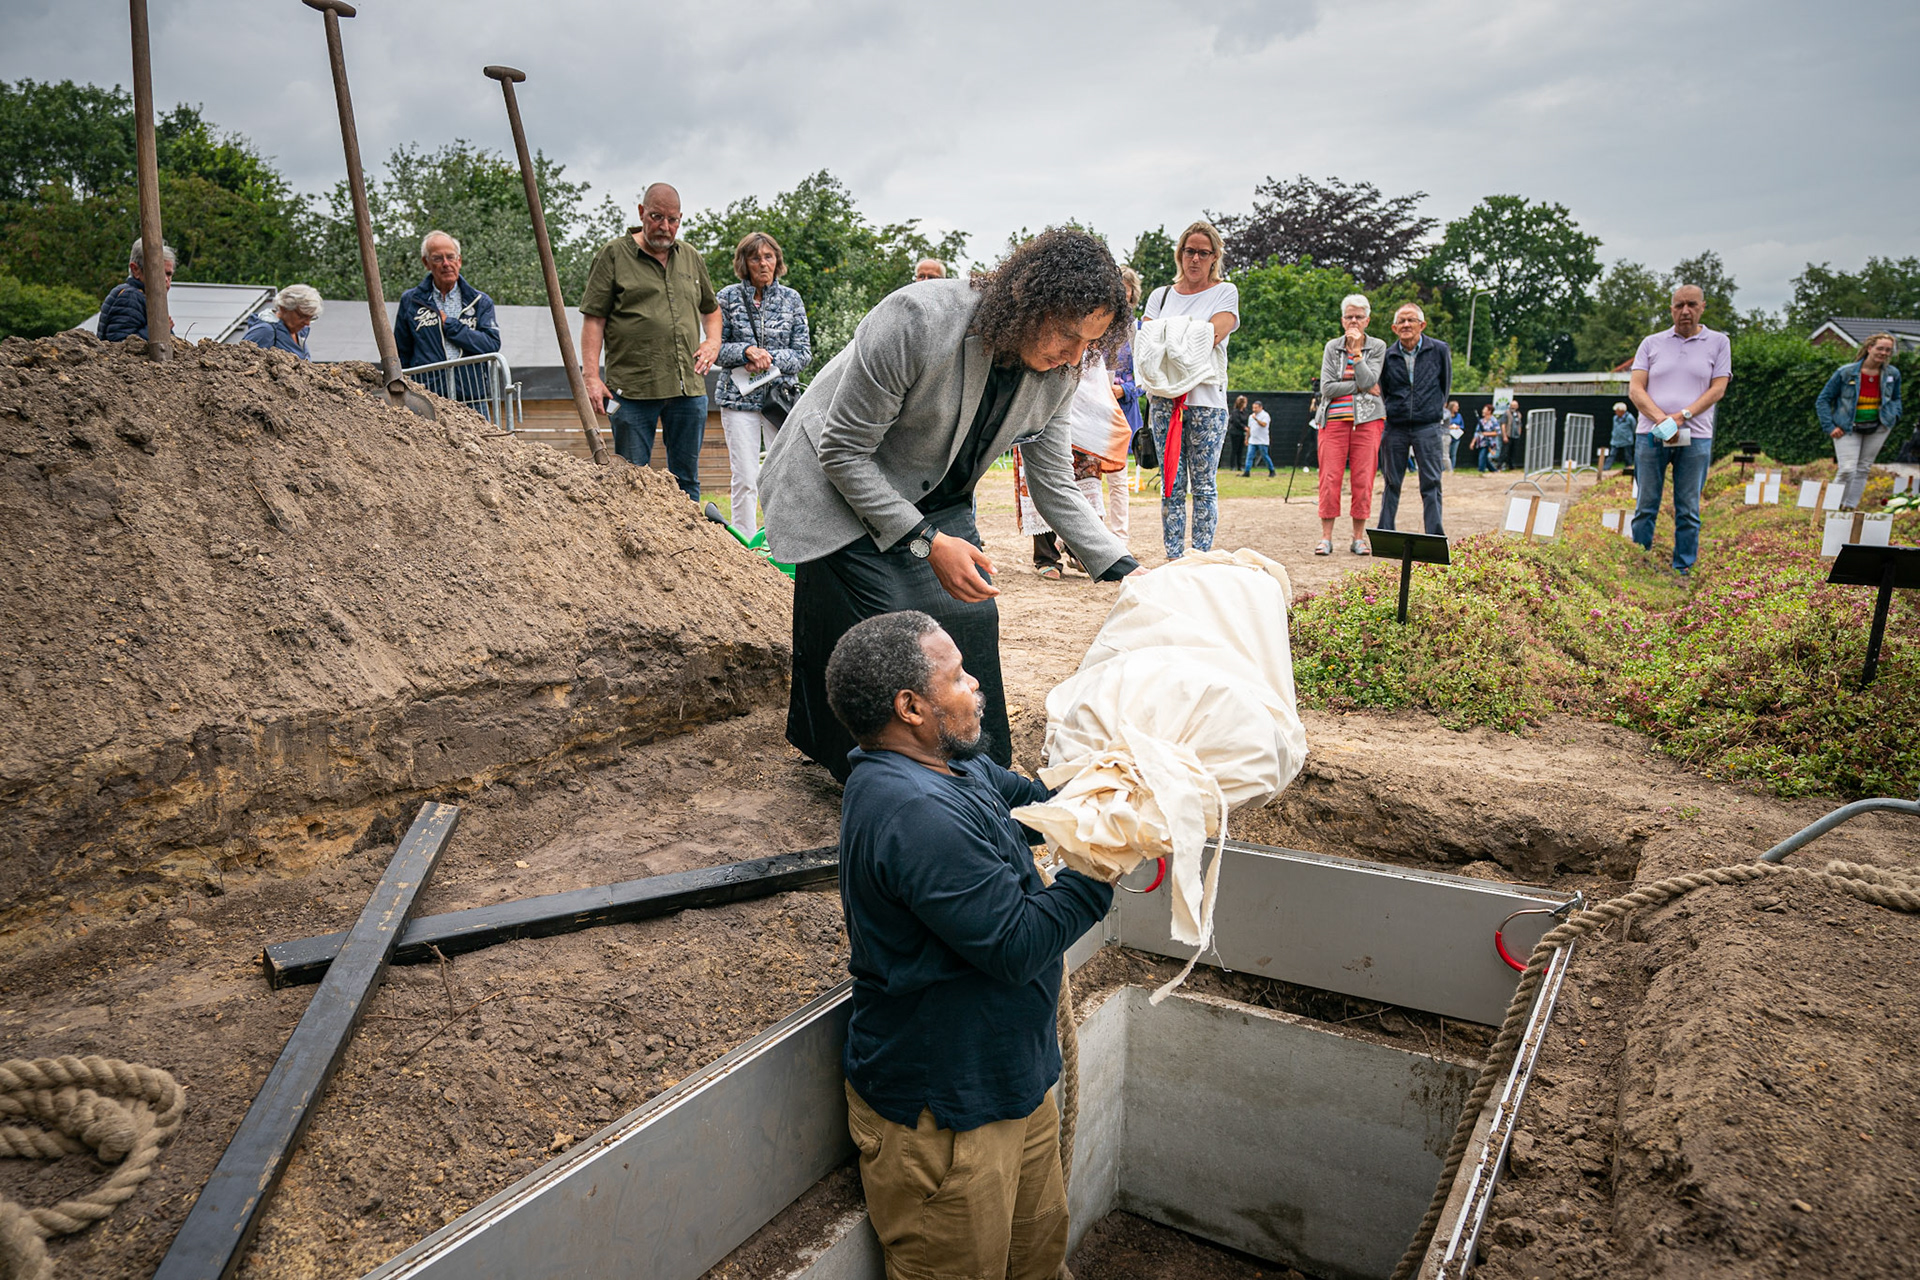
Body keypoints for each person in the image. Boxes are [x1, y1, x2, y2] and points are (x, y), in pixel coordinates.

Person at [760, 227, 1139, 784]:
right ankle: (889, 779)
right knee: (893, 629)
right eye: (1065, 335)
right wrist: (927, 543)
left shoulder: (1062, 370)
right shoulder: (916, 320)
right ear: (1025, 299)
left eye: (1090, 343)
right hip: (832, 481)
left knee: (970, 614)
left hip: (934, 492)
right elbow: (842, 450)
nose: (1074, 356)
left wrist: (1125, 569)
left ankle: (977, 774)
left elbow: (1054, 482)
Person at [827, 610, 1113, 1280]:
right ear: (911, 706)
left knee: (1036, 1262)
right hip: (947, 1120)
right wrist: (1105, 864)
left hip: (1009, 1080)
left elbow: (1041, 802)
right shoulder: (914, 812)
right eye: (957, 676)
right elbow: (1015, 944)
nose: (976, 685)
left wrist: (1125, 779)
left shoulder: (955, 767)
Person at [581, 183, 722, 501]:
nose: (665, 226)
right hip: (632, 392)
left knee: (687, 482)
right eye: (657, 217)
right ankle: (632, 548)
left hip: (688, 390)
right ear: (642, 213)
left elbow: (711, 311)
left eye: (673, 220)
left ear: (680, 219)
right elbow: (594, 320)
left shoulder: (690, 258)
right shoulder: (613, 255)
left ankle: (690, 546)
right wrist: (591, 377)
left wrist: (712, 342)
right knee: (631, 483)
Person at [1142, 220, 1240, 561]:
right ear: (1179, 254)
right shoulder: (1161, 296)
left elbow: (1212, 336)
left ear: (1214, 257)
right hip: (1165, 402)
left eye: (1203, 252)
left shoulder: (1225, 292)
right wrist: (1188, 335)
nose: (1195, 259)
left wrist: (1170, 337)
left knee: (1204, 486)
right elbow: (1147, 347)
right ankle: (1173, 558)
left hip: (1207, 402)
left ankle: (1199, 559)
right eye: (1189, 251)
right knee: (1170, 486)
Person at [1628, 284, 1732, 574]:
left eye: (1691, 305)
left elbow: (1718, 389)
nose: (1685, 311)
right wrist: (1662, 419)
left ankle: (1682, 567)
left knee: (1688, 508)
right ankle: (1640, 563)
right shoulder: (1651, 343)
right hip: (1651, 433)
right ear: (1671, 309)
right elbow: (1636, 389)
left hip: (1696, 435)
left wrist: (1683, 416)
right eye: (1678, 305)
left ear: (1703, 307)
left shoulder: (1719, 342)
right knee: (1645, 504)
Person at [714, 231, 812, 539]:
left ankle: (782, 539)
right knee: (745, 476)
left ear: (777, 261)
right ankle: (745, 543)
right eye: (755, 257)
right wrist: (744, 352)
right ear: (744, 262)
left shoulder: (791, 299)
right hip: (737, 400)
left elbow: (803, 352)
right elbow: (714, 348)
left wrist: (769, 359)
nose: (763, 263)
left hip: (778, 401)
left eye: (768, 256)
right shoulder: (727, 298)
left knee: (782, 474)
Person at [1311, 295, 1386, 555]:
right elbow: (1327, 387)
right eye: (1349, 316)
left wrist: (1356, 354)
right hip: (1332, 420)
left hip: (1368, 421)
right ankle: (1326, 537)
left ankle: (1358, 538)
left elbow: (1370, 377)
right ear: (1342, 320)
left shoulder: (1377, 346)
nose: (1354, 321)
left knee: (1363, 480)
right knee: (1330, 478)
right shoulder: (1332, 347)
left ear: (1367, 320)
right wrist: (1361, 386)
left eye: (1359, 317)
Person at [394, 231, 501, 404]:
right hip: (427, 399)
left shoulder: (480, 301)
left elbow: (491, 344)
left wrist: (452, 326)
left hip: (472, 399)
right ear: (426, 263)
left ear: (459, 261)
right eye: (437, 258)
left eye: (450, 257)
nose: (446, 264)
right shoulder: (411, 301)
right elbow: (401, 352)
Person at [1375, 303, 1453, 537]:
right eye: (1402, 321)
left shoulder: (1439, 350)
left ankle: (1434, 535)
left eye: (1411, 320)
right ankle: (1386, 532)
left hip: (1428, 426)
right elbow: (1384, 389)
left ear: (1422, 325)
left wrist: (1430, 409)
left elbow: (1444, 385)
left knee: (1431, 483)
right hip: (1395, 427)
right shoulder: (1387, 356)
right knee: (1391, 482)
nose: (1406, 325)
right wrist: (1396, 409)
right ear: (1394, 327)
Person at [1817, 332, 1903, 510]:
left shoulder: (1893, 374)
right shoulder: (1846, 372)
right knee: (1847, 469)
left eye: (1888, 350)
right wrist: (1830, 426)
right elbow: (1823, 399)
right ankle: (1831, 507)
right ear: (1869, 348)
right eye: (1880, 348)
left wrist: (1894, 415)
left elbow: (1896, 398)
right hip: (1847, 428)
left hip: (1878, 427)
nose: (1884, 353)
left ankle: (1849, 507)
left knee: (1863, 468)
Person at [97, 238, 175, 343]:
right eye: (158, 272)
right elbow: (119, 346)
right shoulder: (130, 297)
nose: (166, 279)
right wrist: (159, 327)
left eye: (168, 274)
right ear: (136, 270)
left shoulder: (143, 298)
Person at [241, 285, 323, 359]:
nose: (307, 323)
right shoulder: (265, 331)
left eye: (310, 318)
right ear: (283, 309)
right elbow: (242, 364)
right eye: (302, 316)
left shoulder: (299, 333)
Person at [1602, 401, 1636, 476]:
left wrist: (1629, 437)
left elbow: (1634, 428)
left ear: (1622, 411)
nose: (1616, 412)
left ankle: (1629, 468)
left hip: (1626, 440)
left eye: (1617, 411)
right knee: (1612, 454)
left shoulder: (1630, 418)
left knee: (1627, 455)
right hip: (1615, 440)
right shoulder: (1615, 418)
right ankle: (1606, 468)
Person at [1242, 399, 1274, 476]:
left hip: (1262, 440)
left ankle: (1272, 470)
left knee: (1264, 456)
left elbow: (1264, 425)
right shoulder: (1251, 416)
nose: (1254, 409)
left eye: (1256, 408)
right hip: (1253, 440)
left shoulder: (1265, 415)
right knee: (1249, 456)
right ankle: (1247, 471)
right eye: (1253, 408)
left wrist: (1256, 419)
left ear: (1260, 407)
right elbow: (1249, 428)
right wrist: (1247, 438)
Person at [1472, 404, 1501, 472]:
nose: (1483, 411)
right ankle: (1494, 470)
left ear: (1489, 411)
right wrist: (1473, 442)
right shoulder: (1481, 421)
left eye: (1485, 409)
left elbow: (1497, 432)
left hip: (1490, 443)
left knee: (1482, 457)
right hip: (1481, 442)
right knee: (1484, 457)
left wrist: (1486, 434)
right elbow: (1477, 432)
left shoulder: (1494, 420)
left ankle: (1481, 470)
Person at [1225, 394, 1249, 474]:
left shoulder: (1245, 412)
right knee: (1234, 449)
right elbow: (1236, 422)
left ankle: (1239, 465)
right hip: (1235, 432)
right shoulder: (1235, 412)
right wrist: (1244, 427)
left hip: (1242, 433)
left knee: (1240, 450)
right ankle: (1232, 466)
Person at [1502, 396, 1525, 470]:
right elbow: (1503, 425)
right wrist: (1504, 435)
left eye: (1515, 405)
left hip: (1516, 436)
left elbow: (1520, 424)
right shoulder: (1506, 413)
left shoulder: (1519, 414)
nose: (1513, 407)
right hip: (1508, 434)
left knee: (1513, 452)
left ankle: (1511, 466)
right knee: (1505, 451)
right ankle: (1500, 465)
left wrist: (1519, 433)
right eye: (1512, 405)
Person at [1442, 399, 1465, 472]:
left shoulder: (1458, 415)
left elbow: (1462, 425)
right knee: (1445, 454)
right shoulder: (1446, 413)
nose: (1458, 408)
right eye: (1456, 407)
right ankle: (1444, 469)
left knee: (1453, 454)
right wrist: (1450, 427)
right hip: (1447, 434)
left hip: (1456, 437)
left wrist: (1458, 427)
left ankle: (1451, 468)